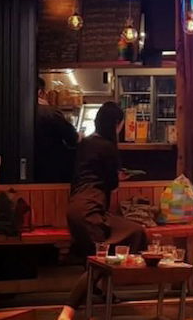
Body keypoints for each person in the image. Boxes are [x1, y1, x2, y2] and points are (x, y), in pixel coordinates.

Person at [58, 102, 147, 320]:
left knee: (100, 257)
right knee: (104, 258)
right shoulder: (108, 147)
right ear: (116, 124)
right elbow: (111, 184)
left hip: (77, 207)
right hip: (91, 209)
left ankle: (104, 294)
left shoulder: (85, 143)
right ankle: (66, 313)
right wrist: (119, 177)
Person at [35, 77, 79, 183]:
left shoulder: (18, 111)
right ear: (40, 93)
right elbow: (72, 138)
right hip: (52, 169)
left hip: (28, 169)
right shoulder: (51, 113)